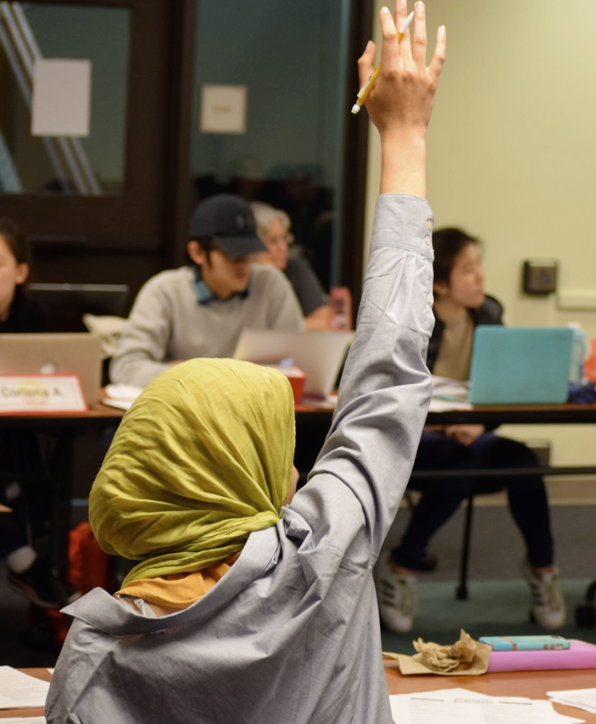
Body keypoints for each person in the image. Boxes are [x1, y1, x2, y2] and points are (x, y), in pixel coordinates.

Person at [46, 5, 445, 722]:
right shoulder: (329, 556)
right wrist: (405, 136)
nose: (293, 468)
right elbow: (387, 371)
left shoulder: (93, 655)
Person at [376, 227, 565, 633]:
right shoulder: (410, 319)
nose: (480, 277)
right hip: (415, 442)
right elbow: (384, 393)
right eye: (467, 270)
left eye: (479, 266)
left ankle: (542, 570)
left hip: (469, 437)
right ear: (440, 284)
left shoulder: (489, 315)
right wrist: (442, 426)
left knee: (524, 462)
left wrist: (479, 423)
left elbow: (503, 388)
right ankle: (401, 566)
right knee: (458, 464)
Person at [110, 194, 305, 388]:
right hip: (186, 412)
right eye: (233, 255)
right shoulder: (165, 291)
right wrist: (190, 376)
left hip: (254, 411)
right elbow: (125, 367)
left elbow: (301, 360)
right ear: (198, 252)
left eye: (250, 253)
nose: (244, 264)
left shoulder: (270, 284)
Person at [0, 218, 75, 610]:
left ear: (21, 271)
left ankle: (23, 547)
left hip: (18, 432)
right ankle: (23, 557)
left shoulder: (35, 318)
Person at [251, 201, 339, 331]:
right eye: (273, 241)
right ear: (253, 246)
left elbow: (326, 321)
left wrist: (279, 328)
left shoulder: (296, 268)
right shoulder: (242, 275)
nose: (283, 247)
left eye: (284, 239)